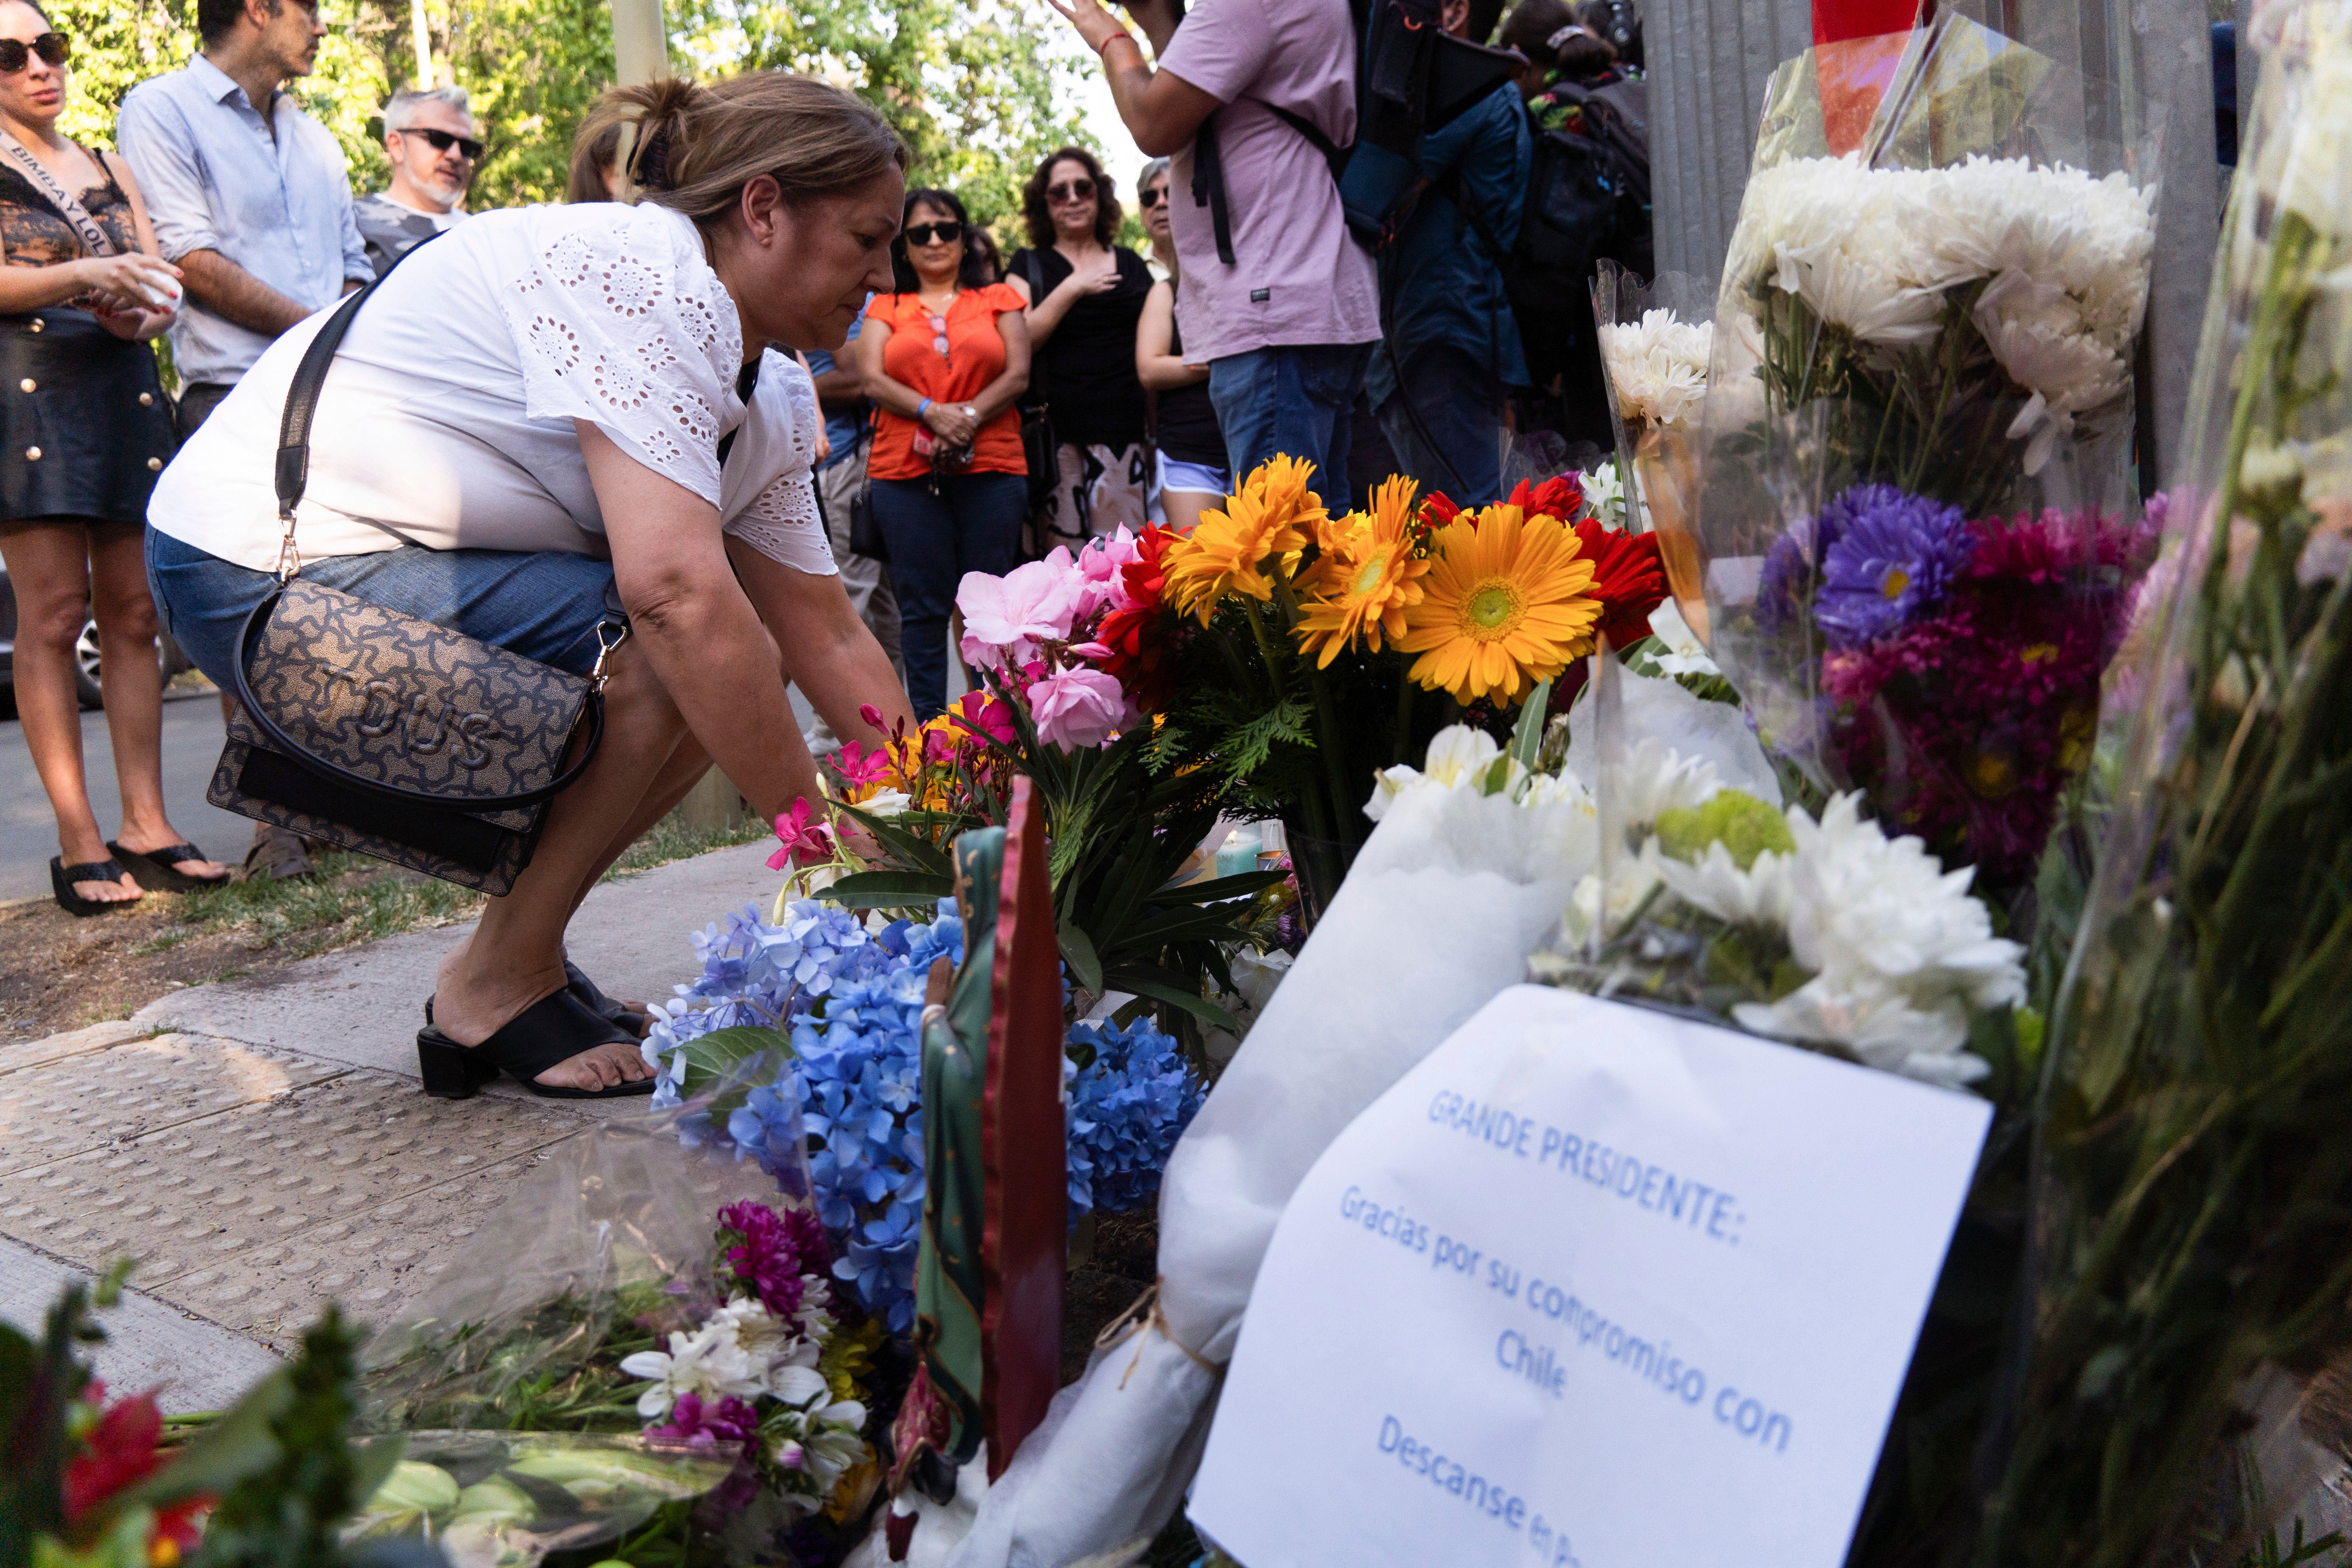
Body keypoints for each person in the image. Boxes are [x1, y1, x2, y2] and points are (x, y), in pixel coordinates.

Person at [145, 74, 917, 1097]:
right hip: (246, 567)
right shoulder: (636, 273)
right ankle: (499, 980)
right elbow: (675, 596)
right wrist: (837, 857)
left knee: (728, 663)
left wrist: (937, 835)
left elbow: (827, 633)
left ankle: (515, 957)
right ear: (764, 207)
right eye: (868, 238)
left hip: (350, 565)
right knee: (670, 647)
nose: (886, 273)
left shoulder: (766, 382)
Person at [117, 0, 375, 882]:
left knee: (339, 599)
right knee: (249, 602)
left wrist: (345, 341)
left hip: (335, 390)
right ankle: (277, 826)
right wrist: (320, 332)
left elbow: (354, 263)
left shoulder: (317, 138)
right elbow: (189, 261)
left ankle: (346, 807)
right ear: (260, 10)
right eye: (312, 9)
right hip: (233, 393)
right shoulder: (162, 108)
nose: (323, 26)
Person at [0, 0, 224, 914]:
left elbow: (160, 287)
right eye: (10, 56)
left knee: (134, 615)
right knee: (55, 617)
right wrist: (88, 274)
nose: (38, 67)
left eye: (48, 47)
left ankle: (147, 825)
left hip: (121, 381)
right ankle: (79, 841)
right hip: (27, 390)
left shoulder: (109, 165)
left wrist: (142, 310)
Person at [1046, 0, 1378, 513]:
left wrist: (1109, 35)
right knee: (1321, 538)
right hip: (1309, 296)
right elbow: (1191, 100)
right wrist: (1157, 16)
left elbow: (1154, 123)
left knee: (1280, 544)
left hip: (1271, 312)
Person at [856, 187, 1029, 721]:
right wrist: (931, 411)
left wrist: (968, 415)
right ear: (904, 246)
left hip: (993, 466)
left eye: (947, 229)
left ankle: (1000, 730)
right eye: (920, 232)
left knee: (991, 607)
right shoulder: (886, 305)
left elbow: (1018, 374)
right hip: (905, 474)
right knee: (923, 608)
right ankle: (930, 736)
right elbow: (871, 377)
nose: (935, 240)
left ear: (965, 237)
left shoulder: (999, 297)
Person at [1368, 0, 1529, 506]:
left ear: (1455, 9)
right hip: (1435, 331)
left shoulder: (1471, 94)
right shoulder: (1482, 91)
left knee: (1463, 519)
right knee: (1450, 516)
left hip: (1441, 331)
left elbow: (1378, 187)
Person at [1006, 146, 1152, 548]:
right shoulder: (1028, 265)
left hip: (1123, 435)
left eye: (1083, 188)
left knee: (1122, 564)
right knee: (1062, 568)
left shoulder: (1130, 263)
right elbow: (1019, 341)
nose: (1072, 198)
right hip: (1056, 439)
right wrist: (1073, 287)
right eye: (1059, 192)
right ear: (1044, 204)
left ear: (1099, 196)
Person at [804, 318, 903, 707]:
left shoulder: (853, 299)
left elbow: (859, 378)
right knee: (869, 600)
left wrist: (788, 383)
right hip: (848, 461)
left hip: (853, 461)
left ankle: (857, 729)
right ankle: (883, 724)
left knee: (862, 602)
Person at [1132, 155, 1227, 532]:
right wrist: (1218, 361)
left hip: (1252, 440)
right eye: (1151, 196)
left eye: (1172, 193)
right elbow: (1149, 368)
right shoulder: (1160, 287)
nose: (1162, 203)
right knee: (1201, 561)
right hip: (1188, 449)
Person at [352, 83, 479, 277]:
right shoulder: (352, 223)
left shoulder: (481, 234)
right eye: (439, 139)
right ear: (397, 146)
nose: (456, 155)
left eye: (467, 147)